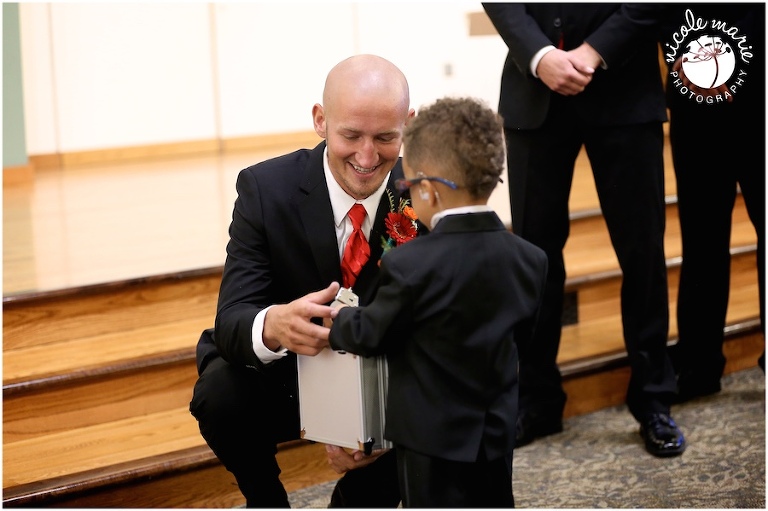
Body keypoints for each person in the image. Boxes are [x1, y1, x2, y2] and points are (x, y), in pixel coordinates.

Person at [189, 54, 422, 507]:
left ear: (407, 125)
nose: (367, 156)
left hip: (391, 381)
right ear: (320, 120)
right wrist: (273, 325)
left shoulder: (423, 194)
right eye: (350, 135)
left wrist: (378, 427)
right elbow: (233, 319)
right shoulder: (265, 189)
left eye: (385, 137)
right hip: (291, 376)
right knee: (220, 393)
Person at [482, 3, 686, 457]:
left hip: (626, 89)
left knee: (642, 254)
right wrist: (539, 55)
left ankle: (653, 398)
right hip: (534, 93)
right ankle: (536, 399)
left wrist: (594, 52)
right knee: (534, 258)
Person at [326, 96, 548, 507]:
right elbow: (524, 338)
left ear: (427, 191)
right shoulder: (530, 260)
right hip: (495, 431)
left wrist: (335, 321)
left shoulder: (412, 264)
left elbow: (373, 333)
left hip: (430, 437)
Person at [660, 4, 765, 401]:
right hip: (698, 100)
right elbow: (666, 14)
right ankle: (700, 364)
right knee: (703, 238)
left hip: (763, 94)